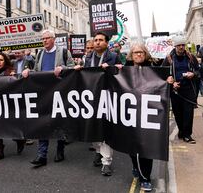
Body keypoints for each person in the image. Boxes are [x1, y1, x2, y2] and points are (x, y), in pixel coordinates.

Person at [22, 29, 75, 167]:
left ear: (54, 38)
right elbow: (37, 71)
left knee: (59, 121)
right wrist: (28, 71)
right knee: (42, 122)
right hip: (43, 92)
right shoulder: (39, 53)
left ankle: (60, 149)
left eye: (47, 38)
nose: (44, 41)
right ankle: (42, 155)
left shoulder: (63, 52)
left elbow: (72, 68)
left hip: (59, 92)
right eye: (43, 39)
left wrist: (62, 68)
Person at [75, 31, 122, 176]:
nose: (97, 42)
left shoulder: (113, 56)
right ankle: (98, 151)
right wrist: (80, 69)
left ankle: (106, 162)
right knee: (94, 127)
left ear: (106, 43)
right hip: (92, 97)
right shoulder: (88, 58)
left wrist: (114, 68)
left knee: (106, 129)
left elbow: (122, 73)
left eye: (101, 40)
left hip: (108, 97)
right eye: (95, 40)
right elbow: (87, 74)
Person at [124, 43, 156, 192]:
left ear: (145, 54)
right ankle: (136, 166)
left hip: (149, 114)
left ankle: (146, 178)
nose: (138, 55)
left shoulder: (154, 68)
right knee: (132, 147)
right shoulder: (125, 69)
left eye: (141, 52)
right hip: (130, 114)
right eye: (136, 53)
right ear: (131, 55)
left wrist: (169, 82)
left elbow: (162, 84)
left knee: (146, 147)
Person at [0, 52, 26, 162]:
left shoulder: (10, 72)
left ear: (5, 61)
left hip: (9, 104)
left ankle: (19, 140)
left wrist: (14, 77)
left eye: (1, 60)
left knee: (11, 126)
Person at [162, 36, 200, 144]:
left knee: (188, 112)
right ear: (175, 46)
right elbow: (163, 73)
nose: (181, 47)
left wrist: (193, 74)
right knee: (177, 113)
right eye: (179, 45)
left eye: (183, 45)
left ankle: (187, 135)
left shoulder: (191, 57)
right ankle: (182, 131)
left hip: (188, 89)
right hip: (175, 91)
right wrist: (171, 81)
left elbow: (198, 72)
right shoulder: (169, 58)